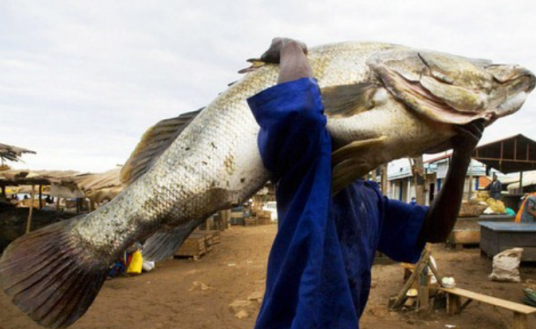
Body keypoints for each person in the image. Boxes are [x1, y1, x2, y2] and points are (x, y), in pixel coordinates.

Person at [247, 38, 484, 329]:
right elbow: (299, 114)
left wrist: (461, 157)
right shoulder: (306, 176)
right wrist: (289, 48)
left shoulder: (369, 200)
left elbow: (434, 229)